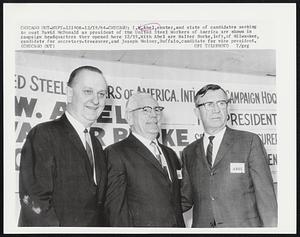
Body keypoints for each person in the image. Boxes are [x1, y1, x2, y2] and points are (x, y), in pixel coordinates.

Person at [18, 66, 108, 226]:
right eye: (88, 91)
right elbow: (35, 203)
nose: (96, 100)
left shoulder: (96, 145)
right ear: (69, 94)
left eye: (101, 94)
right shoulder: (43, 134)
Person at [181, 84, 277, 228]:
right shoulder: (189, 152)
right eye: (209, 104)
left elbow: (266, 200)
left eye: (221, 103)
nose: (216, 110)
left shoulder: (249, 142)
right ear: (196, 112)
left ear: (228, 108)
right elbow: (185, 199)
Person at [104, 92, 185, 227]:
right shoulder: (116, 153)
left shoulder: (170, 154)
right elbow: (115, 212)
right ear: (130, 117)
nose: (154, 115)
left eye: (157, 109)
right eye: (146, 110)